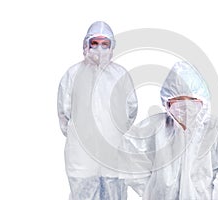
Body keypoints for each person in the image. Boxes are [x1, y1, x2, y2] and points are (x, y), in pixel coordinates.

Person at [123, 61, 218, 199]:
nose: (185, 106)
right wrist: (150, 189)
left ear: (203, 100)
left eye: (192, 99)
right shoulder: (157, 127)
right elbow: (128, 152)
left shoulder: (215, 130)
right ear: (167, 102)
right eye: (178, 100)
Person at [57, 21, 138, 200]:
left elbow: (131, 110)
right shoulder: (72, 75)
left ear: (112, 47)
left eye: (105, 44)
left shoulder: (120, 75)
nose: (99, 49)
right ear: (86, 45)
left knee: (114, 192)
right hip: (81, 155)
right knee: (83, 193)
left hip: (113, 152)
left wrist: (114, 132)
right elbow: (64, 113)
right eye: (94, 43)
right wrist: (79, 136)